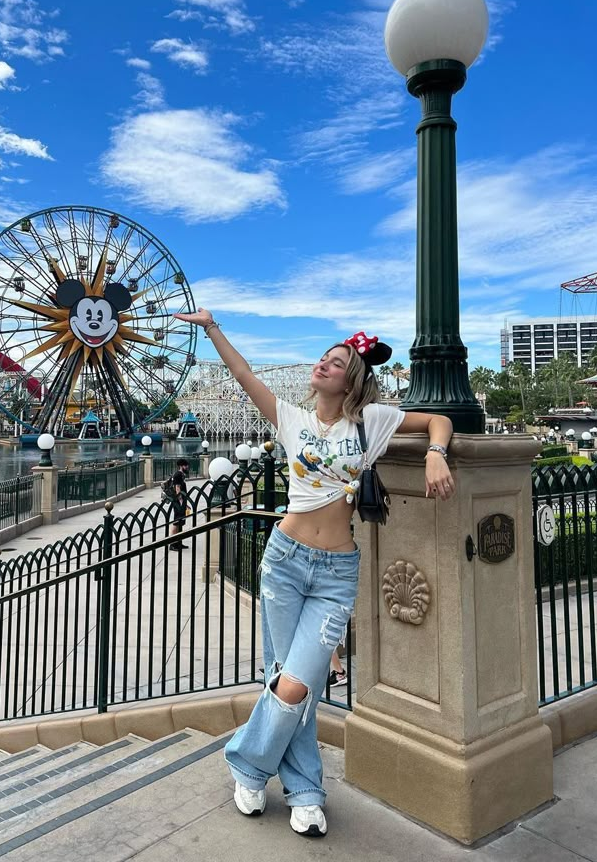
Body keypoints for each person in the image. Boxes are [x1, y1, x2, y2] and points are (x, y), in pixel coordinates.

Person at [174, 307, 455, 839]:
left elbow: (437, 420)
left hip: (336, 573)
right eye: (323, 359)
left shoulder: (370, 422)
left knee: (298, 683)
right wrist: (211, 327)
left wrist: (436, 454)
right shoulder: (291, 419)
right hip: (284, 561)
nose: (324, 365)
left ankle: (249, 764)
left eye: (337, 361)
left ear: (353, 378)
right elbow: (243, 374)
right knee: (286, 681)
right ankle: (305, 791)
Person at [168, 458, 190, 552]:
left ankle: (179, 542)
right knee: (176, 522)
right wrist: (181, 502)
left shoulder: (181, 475)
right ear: (181, 466)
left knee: (181, 522)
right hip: (178, 502)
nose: (187, 467)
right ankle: (172, 544)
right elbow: (177, 488)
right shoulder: (178, 475)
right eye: (185, 466)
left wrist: (186, 503)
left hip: (181, 501)